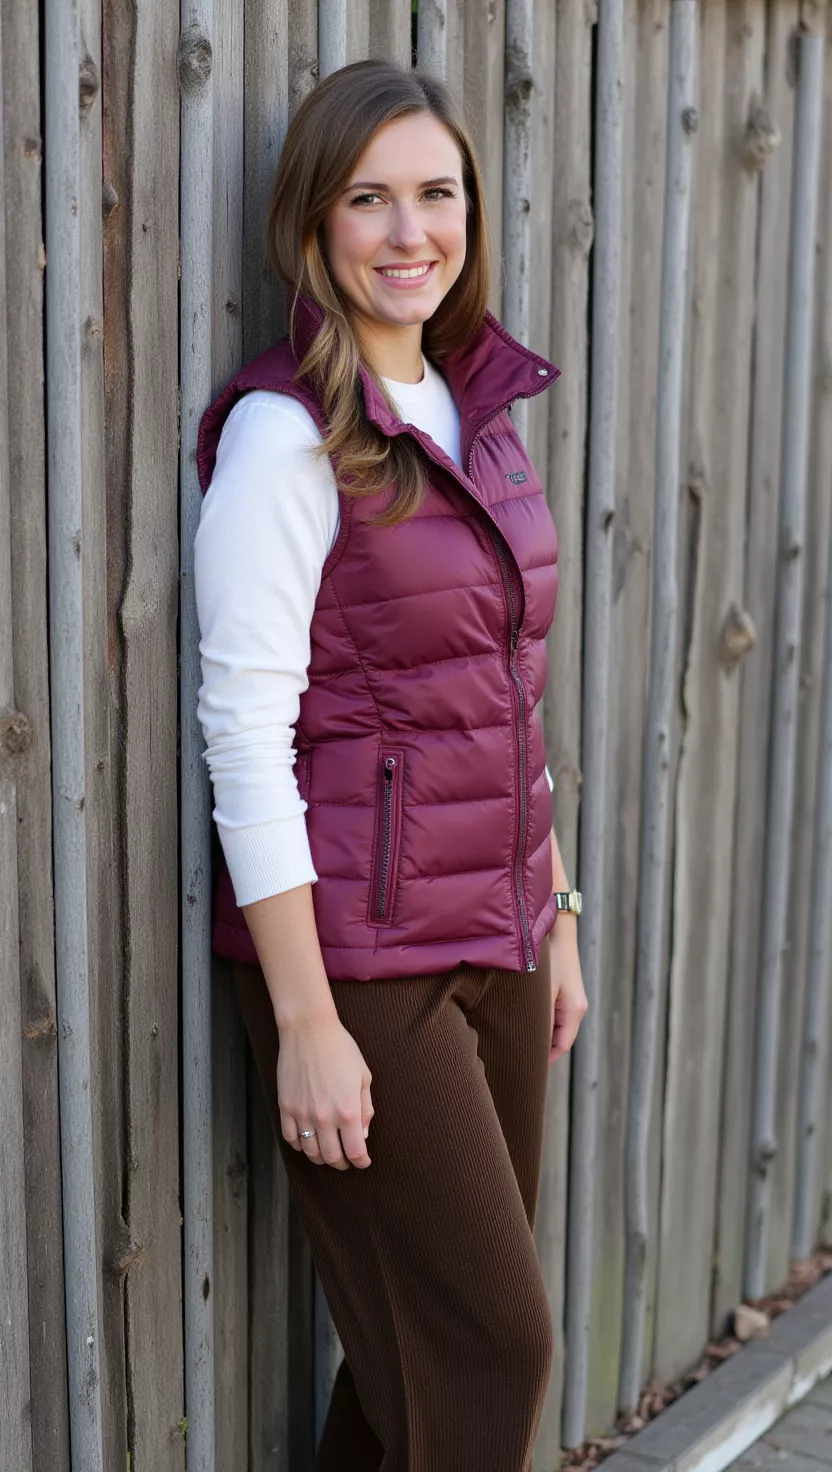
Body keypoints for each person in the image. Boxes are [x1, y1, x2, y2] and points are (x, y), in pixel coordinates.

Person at [194, 56, 587, 1472]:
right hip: (366, 966)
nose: (410, 230)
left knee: (423, 1358)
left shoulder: (473, 414)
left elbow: (505, 688)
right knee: (496, 1346)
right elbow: (244, 734)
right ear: (315, 221)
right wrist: (307, 1022)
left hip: (501, 932)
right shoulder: (285, 439)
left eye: (437, 193)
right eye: (371, 198)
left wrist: (560, 910)